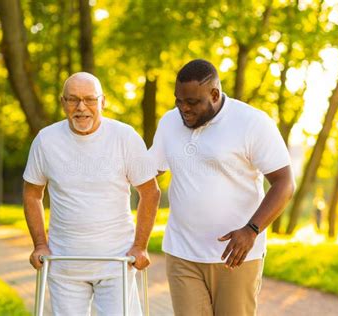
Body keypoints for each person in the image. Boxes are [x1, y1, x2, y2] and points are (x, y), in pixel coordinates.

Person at [149, 59, 295, 316]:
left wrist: (252, 230)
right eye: (178, 100)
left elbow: (284, 183)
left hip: (236, 257)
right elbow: (149, 170)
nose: (184, 109)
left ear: (214, 94)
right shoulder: (170, 122)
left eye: (192, 102)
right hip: (182, 253)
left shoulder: (252, 122)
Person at [23, 72, 160, 315]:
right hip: (65, 265)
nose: (81, 107)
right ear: (63, 102)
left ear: (103, 102)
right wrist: (39, 245)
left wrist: (140, 246)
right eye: (73, 99)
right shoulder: (46, 140)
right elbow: (32, 193)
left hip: (116, 263)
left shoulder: (124, 137)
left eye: (89, 99)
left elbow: (150, 192)